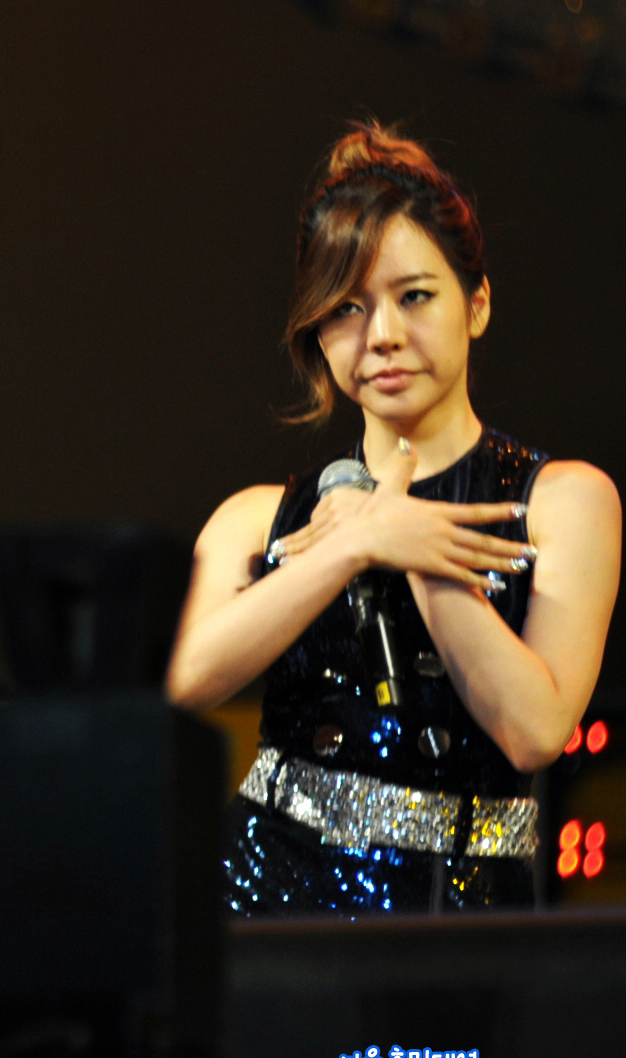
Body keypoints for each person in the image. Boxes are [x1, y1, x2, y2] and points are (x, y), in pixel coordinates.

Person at [167, 124, 619, 915]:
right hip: (268, 906)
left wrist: (412, 544)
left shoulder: (562, 500)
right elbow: (179, 683)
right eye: (347, 308)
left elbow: (534, 731)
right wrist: (349, 546)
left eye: (414, 297)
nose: (381, 336)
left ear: (476, 305)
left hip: (469, 918)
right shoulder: (258, 518)